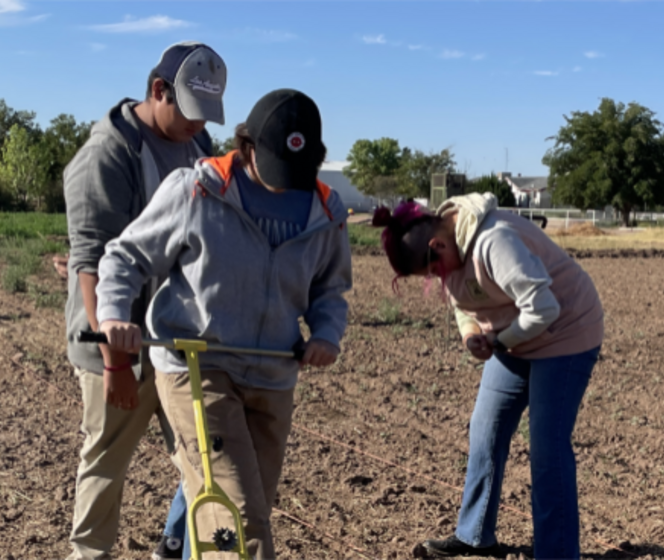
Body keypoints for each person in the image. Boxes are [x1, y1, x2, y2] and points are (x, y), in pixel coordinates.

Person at [96, 89, 352, 560]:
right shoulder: (196, 190)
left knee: (239, 514)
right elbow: (125, 256)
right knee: (239, 517)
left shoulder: (327, 213)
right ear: (247, 147)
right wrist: (114, 316)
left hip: (273, 373)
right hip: (199, 368)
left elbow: (330, 291)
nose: (285, 184)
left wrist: (326, 334)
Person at [62, 41, 227, 560]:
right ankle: (89, 555)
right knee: (106, 461)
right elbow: (91, 263)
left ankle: (181, 548)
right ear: (159, 91)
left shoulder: (197, 150)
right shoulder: (107, 155)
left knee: (205, 459)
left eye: (207, 117)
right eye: (190, 115)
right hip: (119, 346)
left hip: (175, 342)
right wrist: (115, 363)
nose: (198, 128)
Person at [372, 193, 604, 560]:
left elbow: (544, 308)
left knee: (547, 448)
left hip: (565, 333)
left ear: (437, 244)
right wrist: (470, 335)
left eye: (434, 269)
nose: (438, 277)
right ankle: (475, 534)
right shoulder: (450, 250)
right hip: (514, 338)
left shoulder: (495, 241)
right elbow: (461, 304)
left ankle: (557, 554)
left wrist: (498, 340)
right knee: (485, 429)